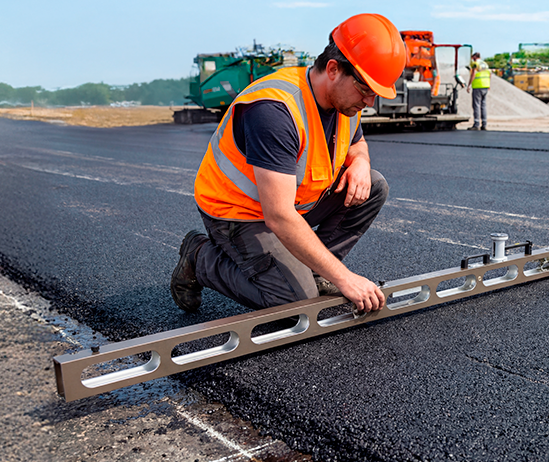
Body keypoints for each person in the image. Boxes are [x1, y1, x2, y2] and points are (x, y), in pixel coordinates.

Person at [170, 13, 407, 314]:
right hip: (239, 213)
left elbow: (356, 143)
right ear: (333, 69)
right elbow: (279, 216)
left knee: (373, 185)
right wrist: (345, 278)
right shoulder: (275, 111)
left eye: (376, 92)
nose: (370, 102)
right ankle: (199, 258)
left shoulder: (345, 101)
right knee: (296, 305)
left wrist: (360, 161)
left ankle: (316, 273)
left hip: (290, 205)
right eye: (365, 89)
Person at [466, 52, 491, 130]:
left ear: (474, 57)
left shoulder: (475, 64)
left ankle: (476, 124)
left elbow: (473, 74)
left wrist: (469, 85)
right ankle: (484, 124)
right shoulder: (485, 64)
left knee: (476, 105)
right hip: (485, 86)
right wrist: (489, 84)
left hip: (478, 86)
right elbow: (490, 74)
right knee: (483, 106)